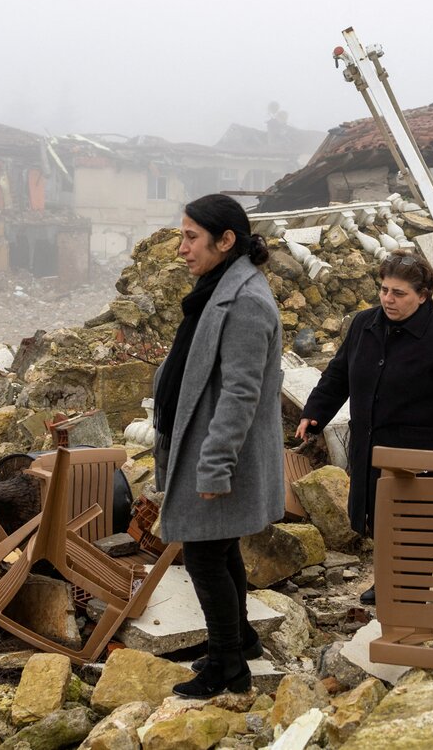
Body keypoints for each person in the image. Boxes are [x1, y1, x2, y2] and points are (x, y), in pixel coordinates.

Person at [153, 193, 284, 699]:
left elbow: (241, 392)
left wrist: (214, 467)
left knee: (204, 555)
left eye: (191, 237)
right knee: (219, 543)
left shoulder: (246, 301)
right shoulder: (219, 286)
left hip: (216, 449)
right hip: (202, 438)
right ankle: (242, 638)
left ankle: (228, 665)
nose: (181, 248)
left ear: (225, 241)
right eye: (181, 235)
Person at [295, 252, 433, 604]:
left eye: (399, 293)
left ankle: (410, 594)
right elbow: (338, 374)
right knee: (378, 517)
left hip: (420, 454)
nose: (388, 299)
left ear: (422, 295)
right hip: (371, 446)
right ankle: (387, 582)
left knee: (414, 525)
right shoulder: (365, 325)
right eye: (384, 290)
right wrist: (315, 411)